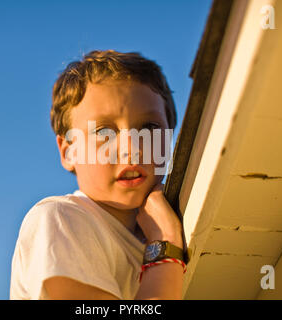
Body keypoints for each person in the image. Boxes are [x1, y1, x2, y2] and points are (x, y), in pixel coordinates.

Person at [10, 49, 187, 300]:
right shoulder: (60, 218)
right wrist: (165, 246)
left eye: (149, 127)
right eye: (104, 131)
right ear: (68, 151)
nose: (131, 149)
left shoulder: (184, 221)